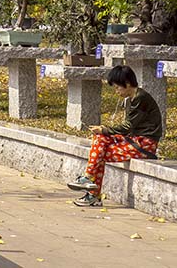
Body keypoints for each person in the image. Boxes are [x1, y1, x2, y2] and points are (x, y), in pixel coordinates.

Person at [68, 65, 163, 207]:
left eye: (118, 87)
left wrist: (105, 129)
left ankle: (91, 188)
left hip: (144, 145)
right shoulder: (133, 98)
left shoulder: (140, 98)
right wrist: (103, 132)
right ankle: (90, 183)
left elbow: (127, 127)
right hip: (135, 140)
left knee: (100, 152)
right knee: (100, 141)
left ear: (128, 84)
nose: (116, 91)